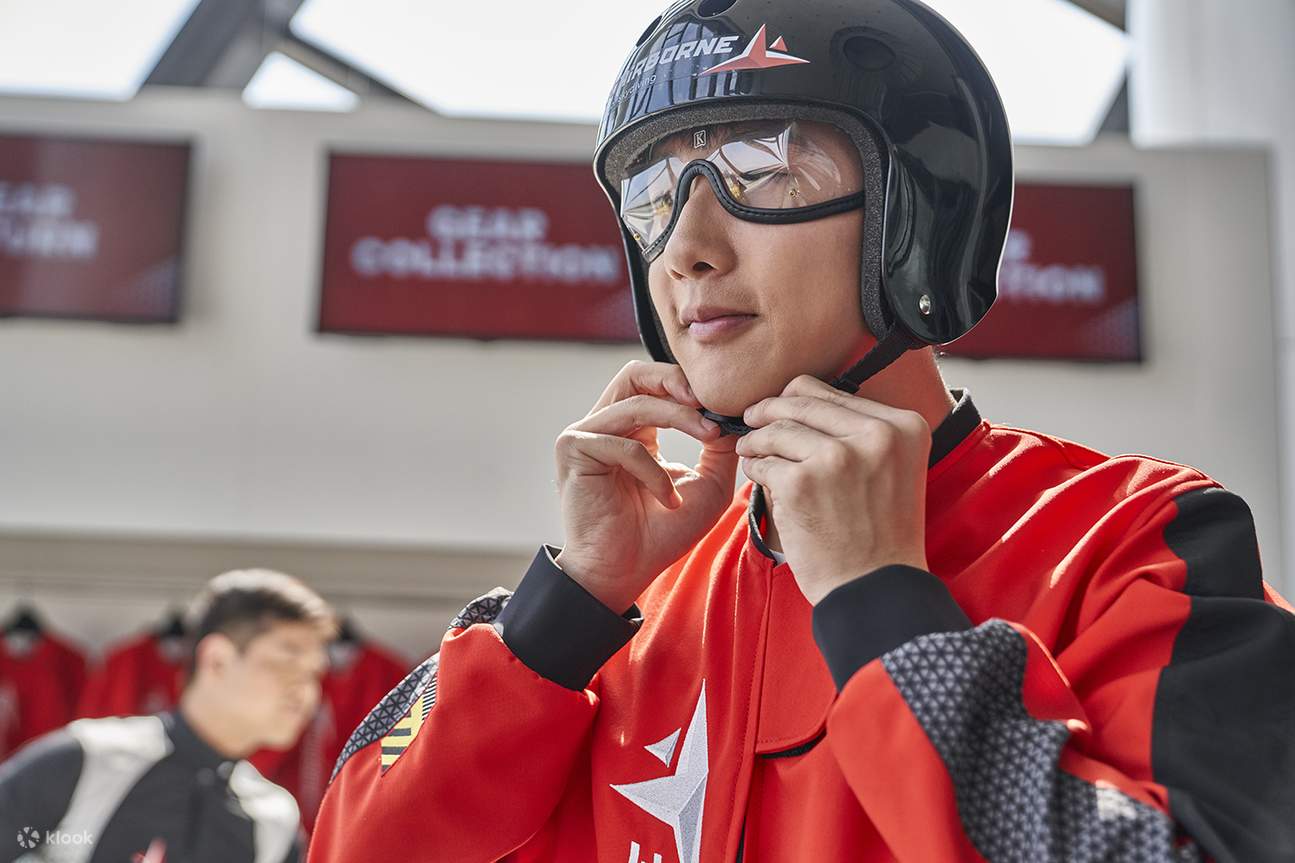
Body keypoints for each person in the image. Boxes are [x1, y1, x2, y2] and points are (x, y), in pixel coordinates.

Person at [310, 1, 1295, 861]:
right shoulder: (620, 611)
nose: (687, 249)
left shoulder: (1129, 539)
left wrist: (884, 612)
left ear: (913, 212)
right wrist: (559, 613)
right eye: (654, 196)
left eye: (764, 166)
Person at [0, 569, 335, 863]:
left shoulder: (274, 822)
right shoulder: (88, 760)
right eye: (287, 665)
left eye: (314, 674)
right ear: (217, 659)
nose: (305, 693)